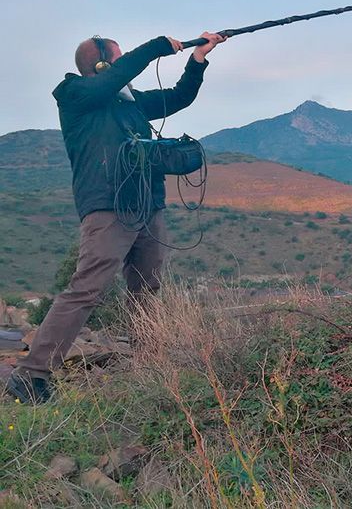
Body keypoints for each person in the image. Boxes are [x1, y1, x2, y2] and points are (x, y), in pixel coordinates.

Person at [4, 32, 226, 404]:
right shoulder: (75, 95)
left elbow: (179, 97)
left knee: (147, 288)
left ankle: (150, 364)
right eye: (118, 59)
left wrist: (198, 59)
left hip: (147, 205)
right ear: (103, 64)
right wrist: (157, 46)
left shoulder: (130, 102)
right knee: (87, 288)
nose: (125, 66)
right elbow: (112, 79)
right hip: (107, 206)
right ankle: (32, 374)